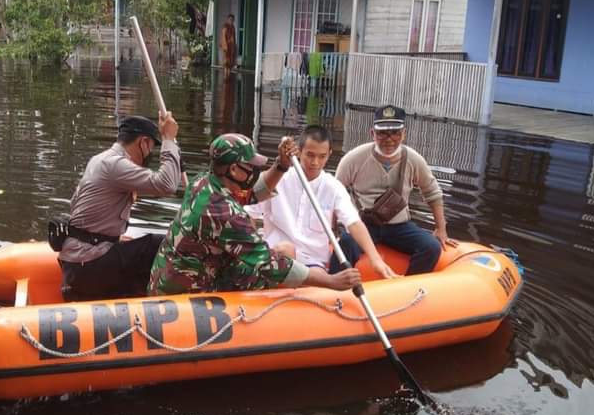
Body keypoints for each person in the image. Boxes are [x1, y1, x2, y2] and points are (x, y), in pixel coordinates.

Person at [148, 133, 362, 295]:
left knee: (277, 254)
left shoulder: (203, 182)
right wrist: (331, 282)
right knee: (277, 260)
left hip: (167, 274)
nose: (254, 171)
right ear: (233, 169)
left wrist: (281, 166)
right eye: (249, 166)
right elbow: (271, 264)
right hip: (187, 289)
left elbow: (253, 193)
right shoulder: (225, 214)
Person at [58, 113, 181, 301]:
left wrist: (110, 238)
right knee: (158, 244)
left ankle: (132, 297)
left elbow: (77, 206)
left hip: (79, 262)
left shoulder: (100, 160)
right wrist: (169, 140)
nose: (150, 154)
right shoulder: (115, 165)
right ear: (144, 143)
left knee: (135, 246)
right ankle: (167, 302)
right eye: (152, 148)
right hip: (88, 264)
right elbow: (168, 185)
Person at [246, 125, 397, 278]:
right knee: (285, 250)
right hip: (275, 254)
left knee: (319, 272)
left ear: (329, 154)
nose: (315, 162)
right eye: (310, 155)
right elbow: (248, 213)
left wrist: (375, 259)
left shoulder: (333, 187)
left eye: (322, 156)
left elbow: (353, 223)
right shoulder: (278, 179)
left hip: (313, 262)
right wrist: (251, 246)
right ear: (299, 151)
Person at [333, 105, 449, 276]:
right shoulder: (353, 159)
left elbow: (432, 192)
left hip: (399, 226)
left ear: (404, 134)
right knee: (346, 244)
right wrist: (333, 228)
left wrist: (441, 228)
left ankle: (409, 289)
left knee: (431, 247)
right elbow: (334, 194)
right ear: (372, 133)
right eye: (382, 133)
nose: (389, 139)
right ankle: (334, 289)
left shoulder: (414, 159)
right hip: (364, 225)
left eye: (395, 133)